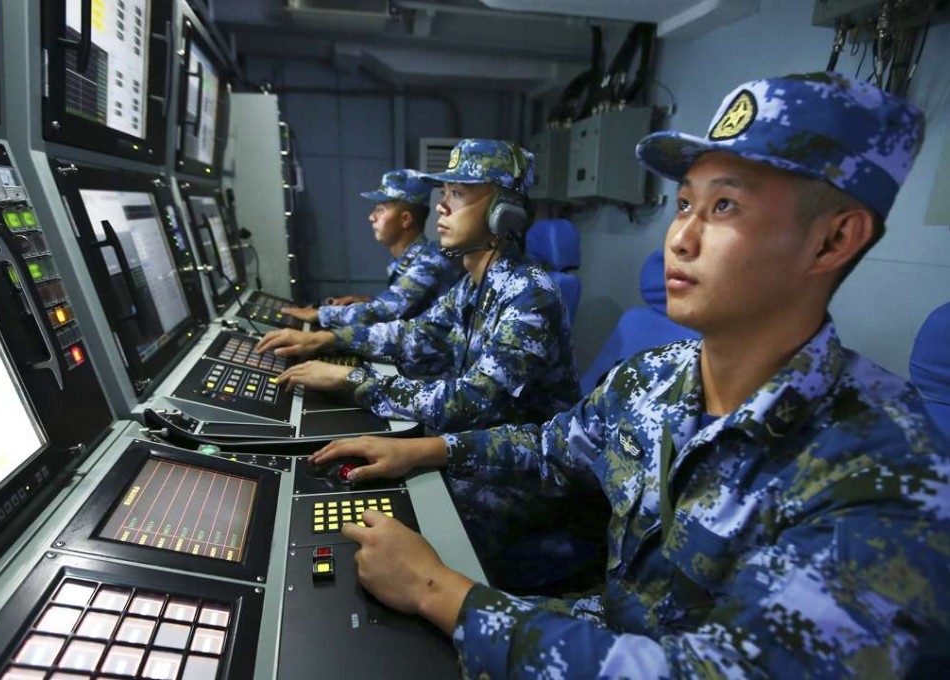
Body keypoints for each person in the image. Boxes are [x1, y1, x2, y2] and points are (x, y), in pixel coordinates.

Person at [309, 72, 950, 676]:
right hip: (617, 628)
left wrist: (436, 590)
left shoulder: (887, 469)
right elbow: (549, 444)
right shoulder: (654, 377)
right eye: (683, 204)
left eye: (724, 206)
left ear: (833, 241)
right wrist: (423, 449)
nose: (680, 238)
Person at [257, 139, 603, 591]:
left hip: (529, 476)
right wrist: (330, 338)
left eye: (458, 195)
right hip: (478, 449)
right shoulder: (474, 285)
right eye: (444, 193)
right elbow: (413, 333)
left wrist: (351, 378)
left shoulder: (528, 294)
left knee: (398, 520)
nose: (440, 207)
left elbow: (469, 402)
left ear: (505, 213)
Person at [282, 169, 462, 327]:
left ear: (405, 219)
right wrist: (367, 302)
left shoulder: (428, 263)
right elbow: (408, 309)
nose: (371, 217)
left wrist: (320, 314)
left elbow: (383, 313)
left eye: (380, 209)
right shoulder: (407, 258)